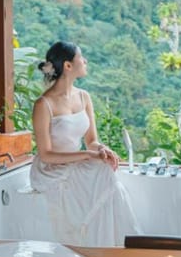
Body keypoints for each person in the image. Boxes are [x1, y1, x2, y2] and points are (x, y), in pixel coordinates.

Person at [30, 40, 140, 246]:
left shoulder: (84, 97)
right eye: (81, 57)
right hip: (51, 168)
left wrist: (103, 149)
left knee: (106, 170)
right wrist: (89, 155)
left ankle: (115, 243)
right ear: (68, 65)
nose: (85, 61)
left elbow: (91, 141)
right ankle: (100, 245)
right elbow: (45, 154)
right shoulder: (43, 104)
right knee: (101, 174)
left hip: (75, 161)